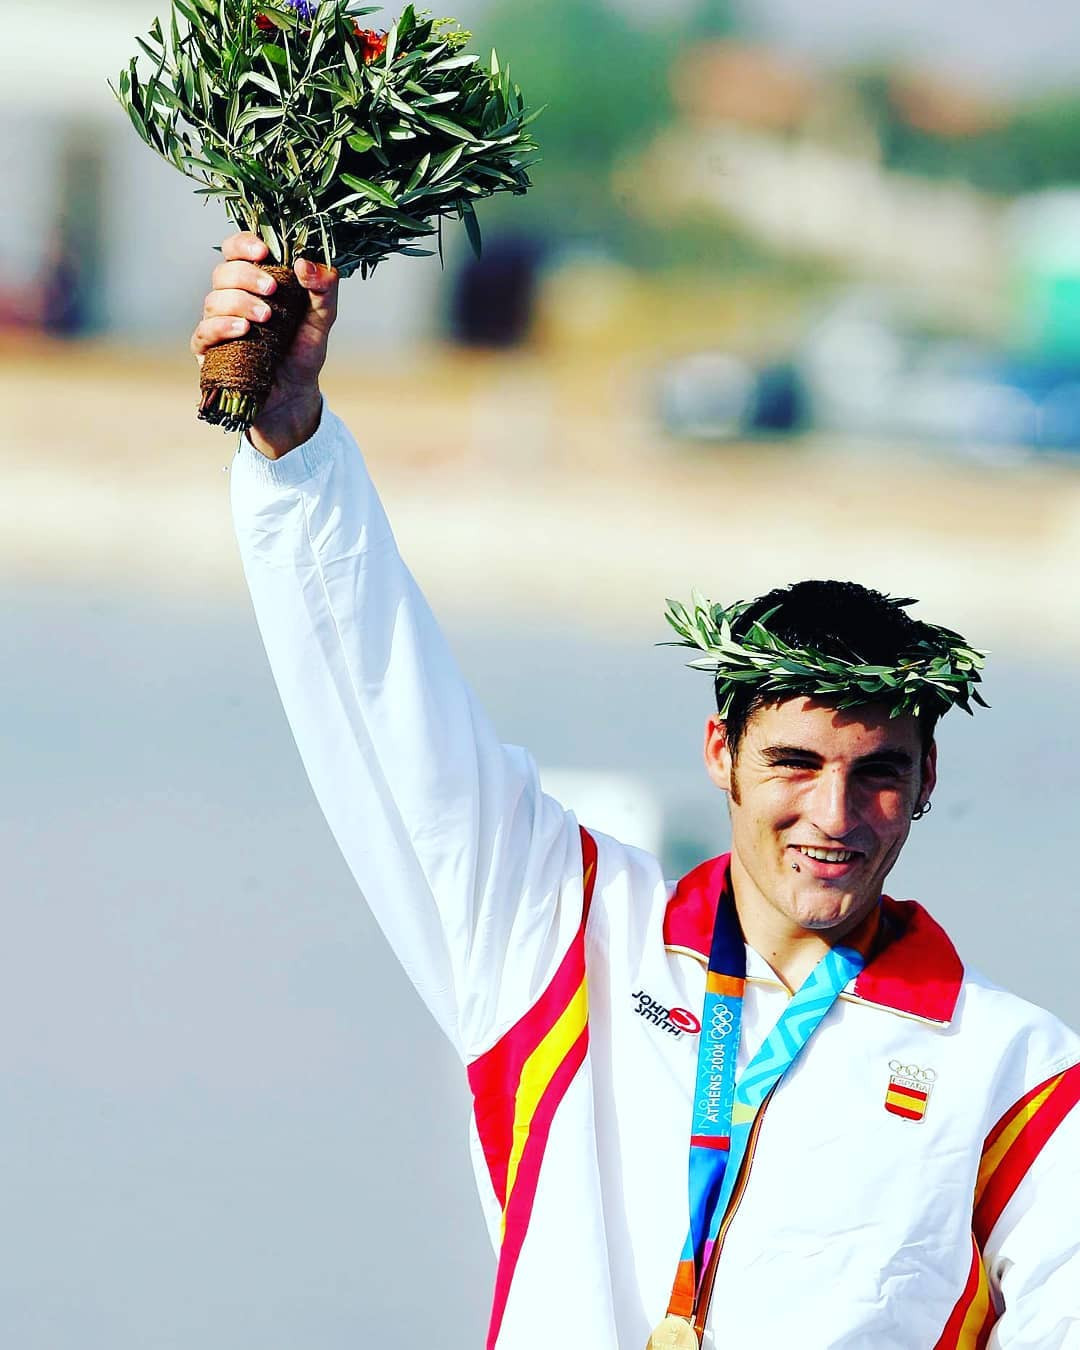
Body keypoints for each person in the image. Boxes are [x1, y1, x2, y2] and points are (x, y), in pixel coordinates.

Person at [192, 233, 1080, 1350]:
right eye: (794, 764)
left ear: (929, 778)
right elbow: (382, 703)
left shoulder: (1014, 1076)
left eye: (879, 775)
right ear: (721, 751)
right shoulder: (560, 934)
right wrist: (291, 444)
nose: (835, 817)